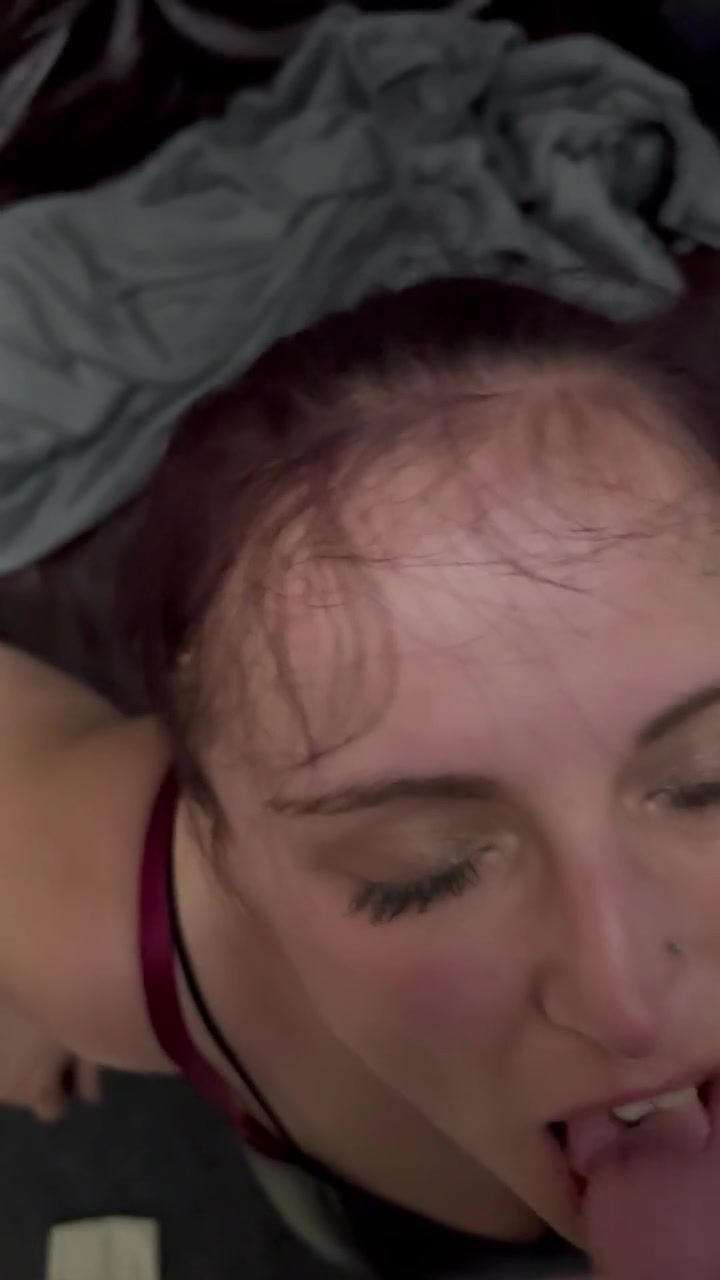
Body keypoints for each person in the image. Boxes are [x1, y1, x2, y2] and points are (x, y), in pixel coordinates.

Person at [3, 276, 720, 1280]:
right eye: (421, 869)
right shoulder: (119, 942)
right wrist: (25, 986)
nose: (625, 1001)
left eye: (707, 783)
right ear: (226, 853)